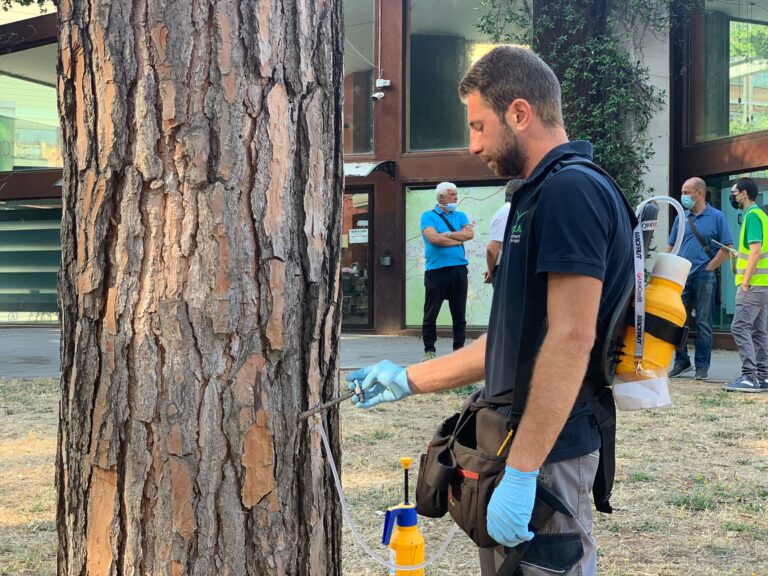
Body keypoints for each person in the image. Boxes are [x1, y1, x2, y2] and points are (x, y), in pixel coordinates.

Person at [348, 46, 633, 575]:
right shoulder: (536, 195)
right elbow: (505, 343)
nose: (472, 143)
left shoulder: (572, 190)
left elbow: (572, 338)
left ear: (520, 113)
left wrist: (524, 473)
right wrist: (408, 378)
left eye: (479, 126)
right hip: (521, 446)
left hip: (546, 455)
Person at [666, 177, 733, 381]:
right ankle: (681, 361)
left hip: (705, 276)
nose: (683, 196)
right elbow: (671, 245)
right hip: (680, 275)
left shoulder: (717, 216)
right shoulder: (681, 217)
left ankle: (702, 366)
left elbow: (727, 247)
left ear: (699, 193)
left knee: (704, 321)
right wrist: (665, 269)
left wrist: (709, 267)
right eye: (682, 192)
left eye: (687, 192)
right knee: (678, 320)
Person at [722, 177, 768, 393]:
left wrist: (746, 282)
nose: (732, 195)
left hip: (753, 285)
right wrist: (739, 255)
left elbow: (757, 251)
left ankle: (749, 377)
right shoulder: (760, 215)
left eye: (734, 192)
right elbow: (754, 251)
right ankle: (763, 376)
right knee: (758, 331)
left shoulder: (752, 217)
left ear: (744, 193)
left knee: (739, 327)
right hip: (763, 284)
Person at [419, 181, 474, 360]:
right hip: (436, 271)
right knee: (431, 313)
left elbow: (469, 235)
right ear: (441, 196)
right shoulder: (428, 216)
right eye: (452, 194)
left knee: (459, 313)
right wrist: (457, 239)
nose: (456, 198)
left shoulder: (460, 215)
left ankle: (459, 348)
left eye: (456, 194)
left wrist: (449, 234)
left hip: (459, 270)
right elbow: (433, 238)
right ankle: (429, 350)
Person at [484, 179, 523, 285]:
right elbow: (492, 248)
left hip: (511, 268)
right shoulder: (507, 212)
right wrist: (492, 273)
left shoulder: (514, 210)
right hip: (505, 269)